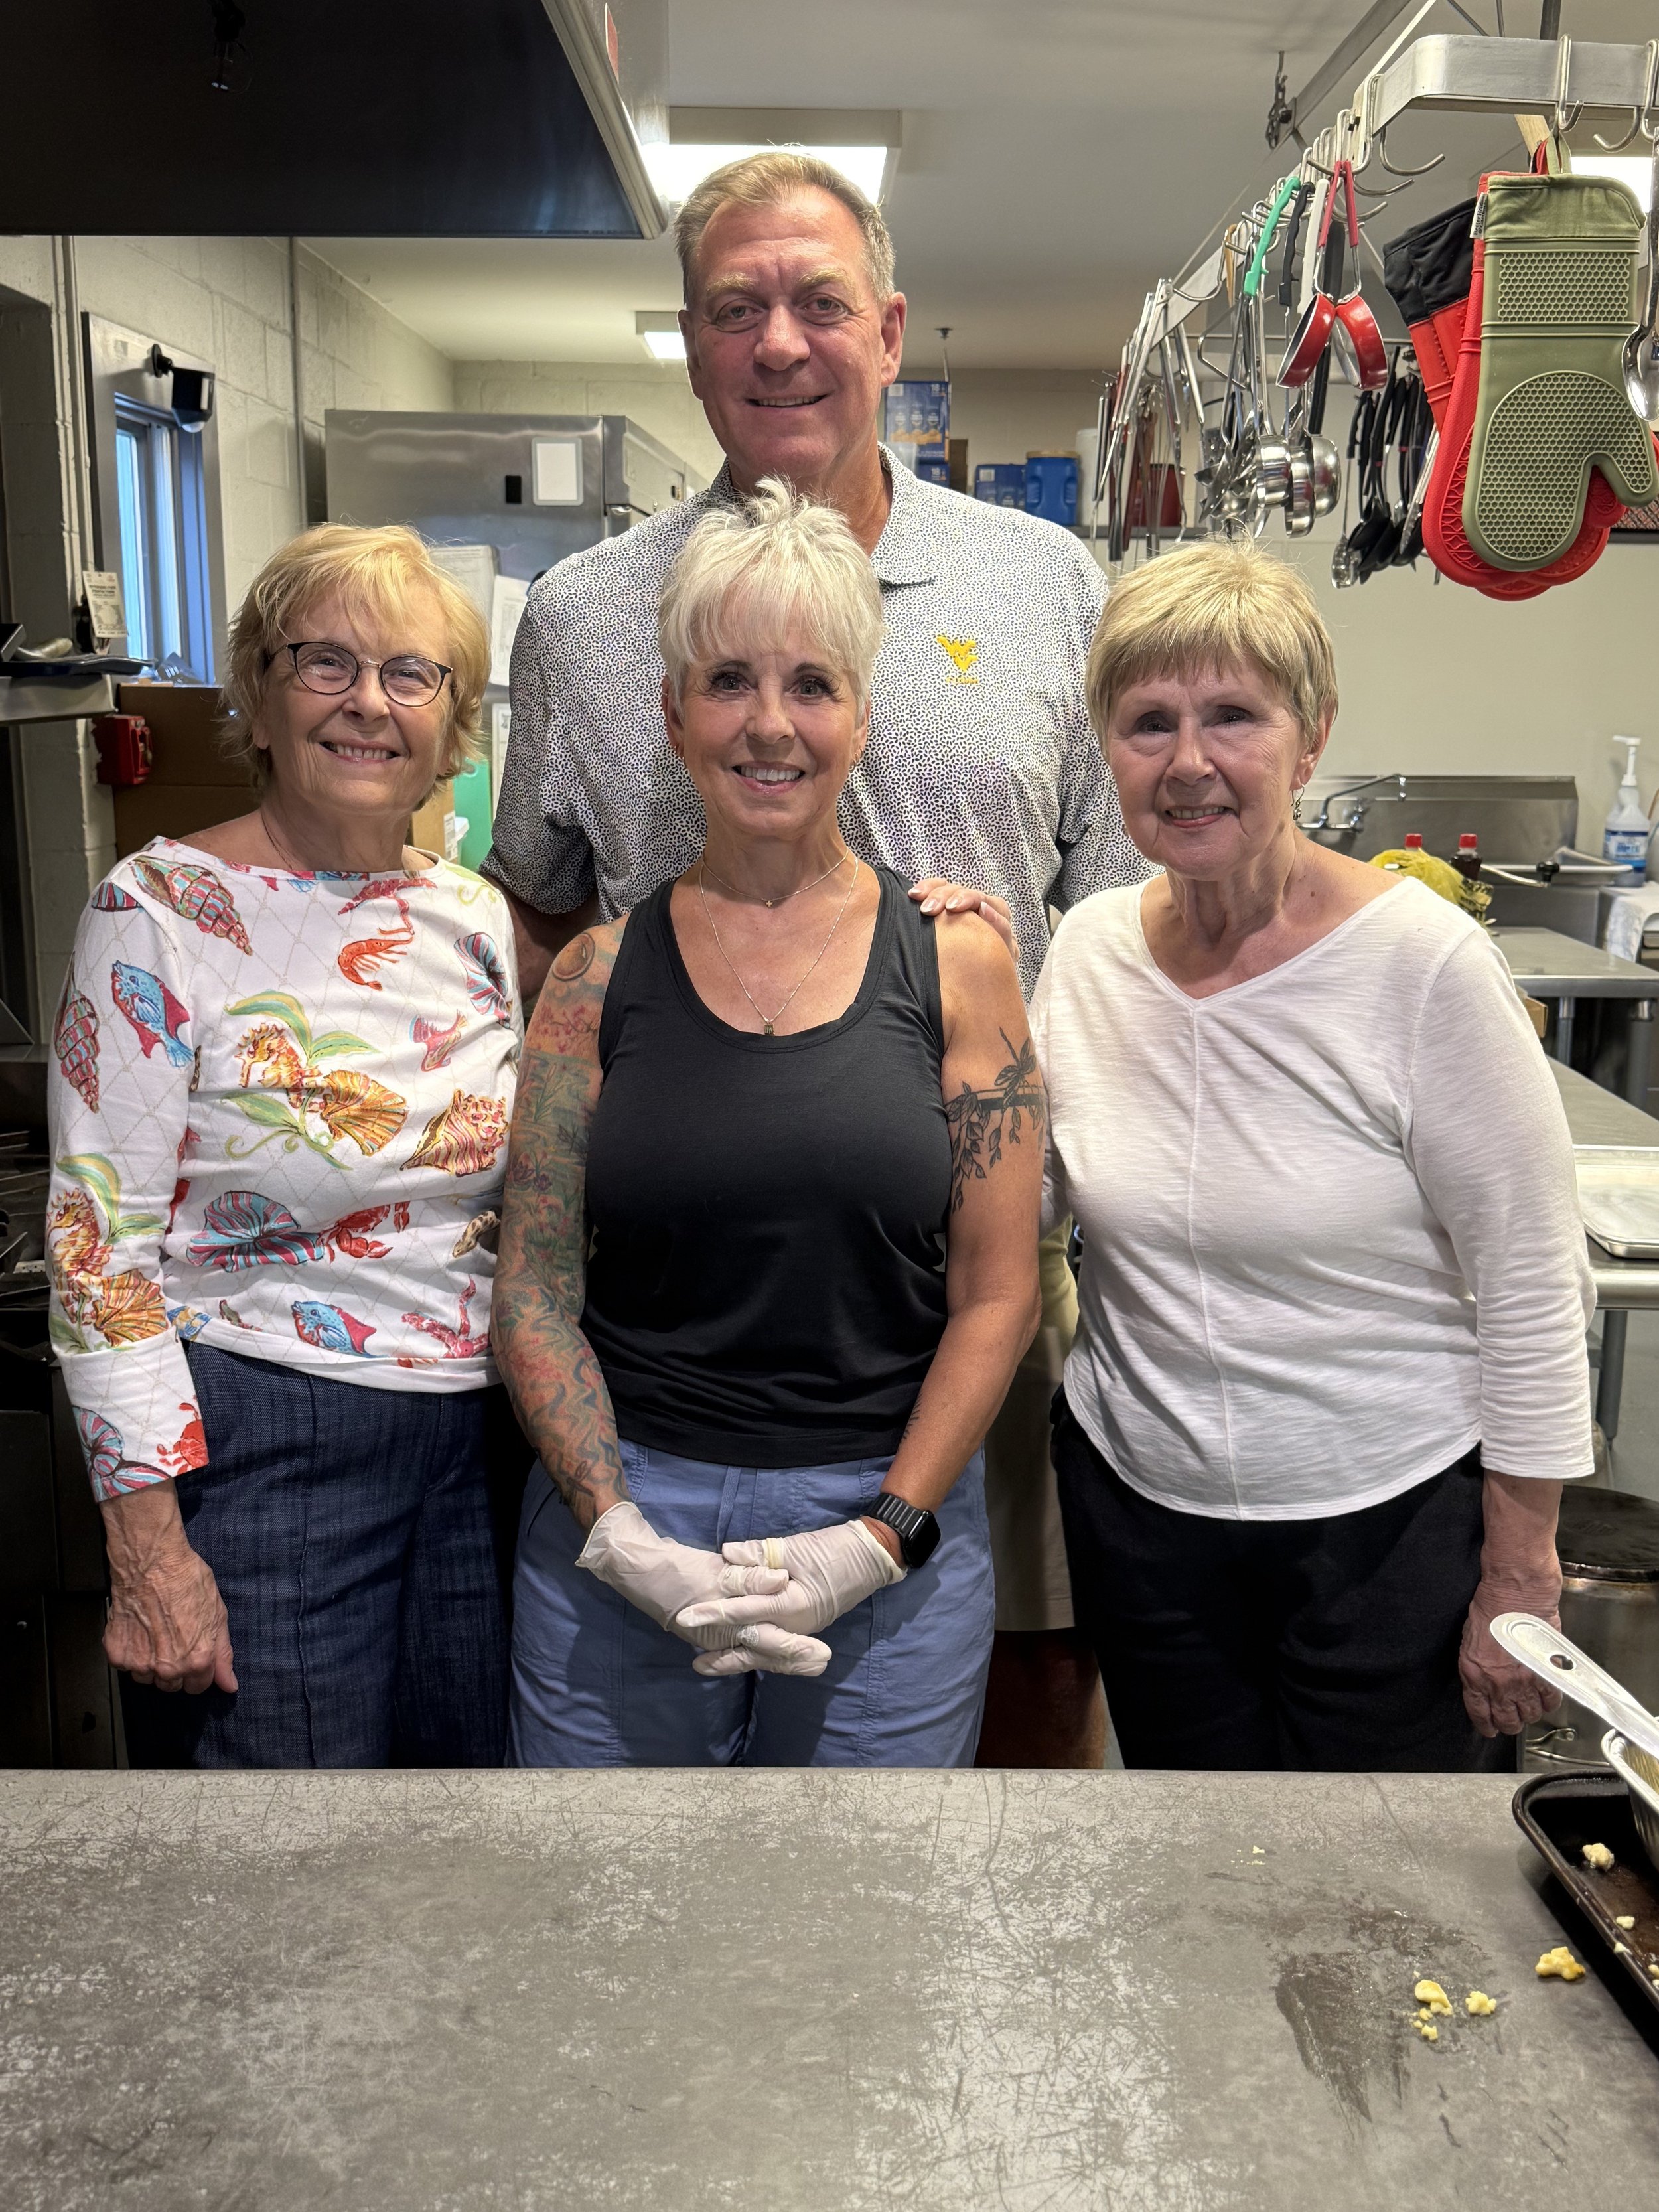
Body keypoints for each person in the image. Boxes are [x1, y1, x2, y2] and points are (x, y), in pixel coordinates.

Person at [486, 150, 1148, 1763]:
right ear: (690, 340)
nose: (777, 342)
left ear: (889, 330)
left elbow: (1116, 927)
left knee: (989, 1732)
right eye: (734, 308)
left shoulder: (1046, 584)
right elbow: (541, 907)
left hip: (973, 1297)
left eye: (818, 303)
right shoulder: (583, 614)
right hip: (670, 1316)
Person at [495, 480, 1043, 1767]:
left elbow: (998, 1292)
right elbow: (533, 1284)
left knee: (860, 1892)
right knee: (605, 1884)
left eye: (811, 684)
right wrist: (614, 1529)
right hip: (628, 1509)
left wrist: (879, 1538)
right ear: (672, 712)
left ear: (861, 715)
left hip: (887, 1521)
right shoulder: (592, 980)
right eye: (728, 680)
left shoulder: (958, 959)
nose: (769, 723)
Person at [1033, 538, 1593, 1771]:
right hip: (1143, 1518)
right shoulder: (1085, 954)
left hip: (1387, 1527)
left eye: (1234, 716)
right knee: (1194, 1855)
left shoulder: (1422, 966)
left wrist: (1521, 1570)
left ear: (1311, 737)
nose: (1189, 762)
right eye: (1148, 722)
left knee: (1386, 1871)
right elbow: (1025, 1200)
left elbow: (1533, 1285)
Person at [45, 524, 522, 1767]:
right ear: (258, 699)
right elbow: (97, 1252)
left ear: (450, 724)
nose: (369, 702)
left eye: (410, 673)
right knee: (279, 1854)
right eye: (325, 663)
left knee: (466, 1834)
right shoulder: (157, 914)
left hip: (476, 1448)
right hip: (263, 1441)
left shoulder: (469, 915)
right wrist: (149, 1551)